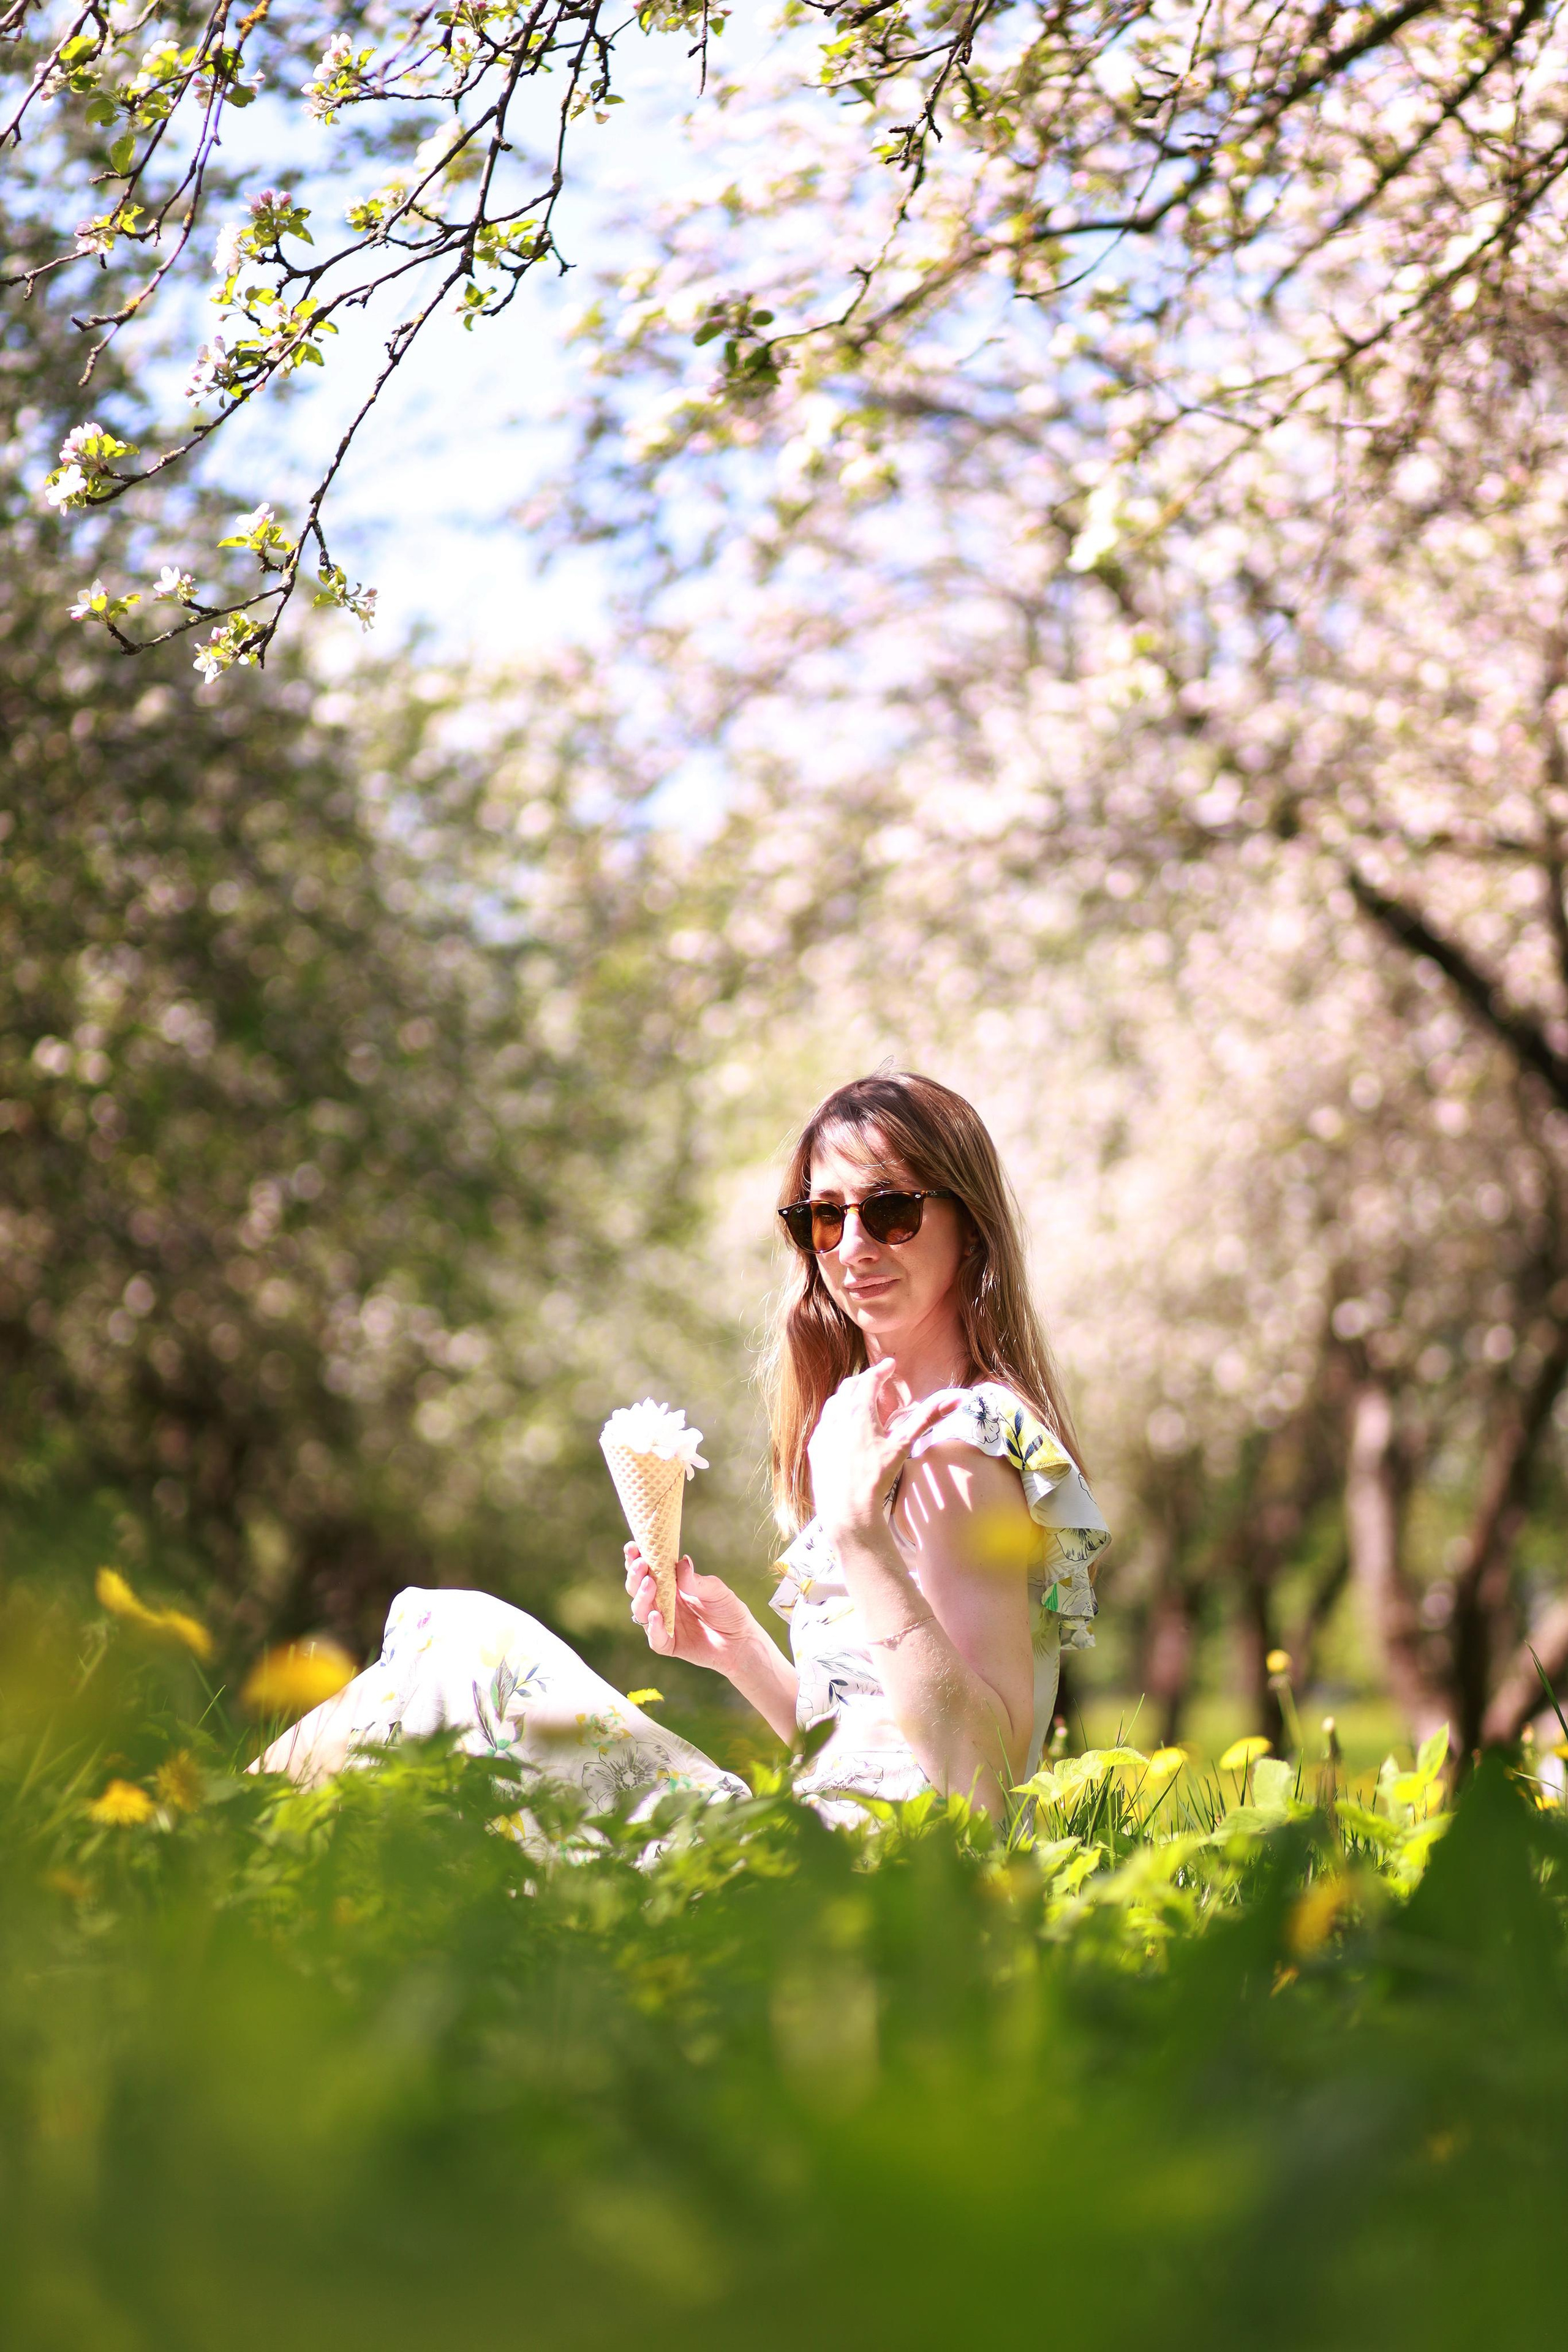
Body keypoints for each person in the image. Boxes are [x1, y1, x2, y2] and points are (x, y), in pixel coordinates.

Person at [258, 1072, 1109, 1822]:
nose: (853, 1247)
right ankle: (222, 1858)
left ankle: (208, 1851)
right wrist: (741, 1651)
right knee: (443, 1679)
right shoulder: (890, 1432)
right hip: (822, 1860)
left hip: (856, 1896)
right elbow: (877, 1753)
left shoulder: (962, 1445)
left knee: (465, 1642)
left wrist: (859, 1537)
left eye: (891, 1210)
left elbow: (980, 1791)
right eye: (825, 1217)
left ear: (970, 1225)